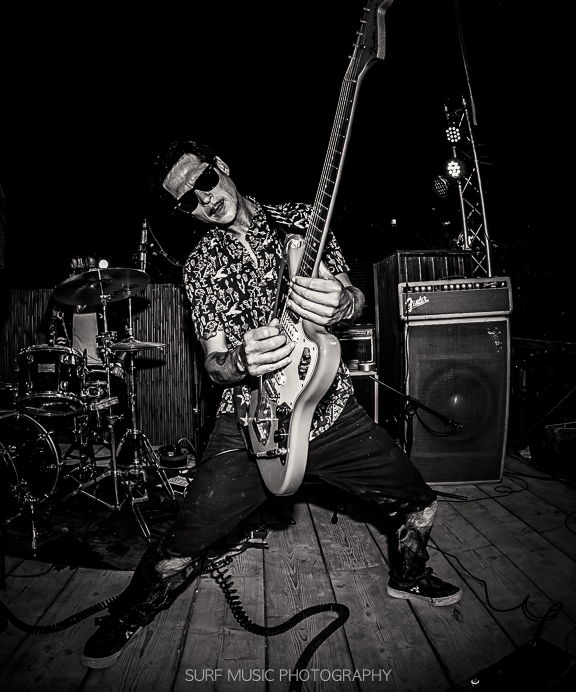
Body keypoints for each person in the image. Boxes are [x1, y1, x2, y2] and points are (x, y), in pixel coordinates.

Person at [80, 140, 462, 669]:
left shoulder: (302, 221)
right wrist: (240, 359)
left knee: (418, 502)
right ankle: (128, 612)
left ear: (223, 167)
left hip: (330, 411)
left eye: (204, 181)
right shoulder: (200, 265)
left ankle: (410, 575)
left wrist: (342, 302)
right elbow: (214, 364)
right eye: (187, 199)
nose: (203, 199)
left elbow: (351, 298)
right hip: (249, 423)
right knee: (185, 538)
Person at [37, 254, 130, 447]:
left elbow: (127, 338)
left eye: (87, 271)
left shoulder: (108, 300)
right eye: (76, 271)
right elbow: (42, 332)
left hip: (105, 366)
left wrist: (119, 364)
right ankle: (61, 453)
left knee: (122, 405)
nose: (81, 275)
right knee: (51, 405)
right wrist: (51, 351)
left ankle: (124, 456)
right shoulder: (61, 299)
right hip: (73, 368)